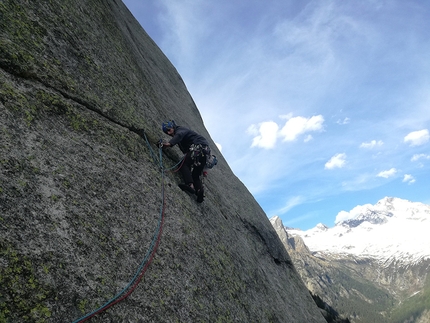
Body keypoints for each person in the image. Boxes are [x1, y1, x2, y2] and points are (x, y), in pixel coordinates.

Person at [161, 120, 210, 203]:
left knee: (183, 164)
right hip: (205, 153)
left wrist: (168, 144)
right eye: (166, 132)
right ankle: (199, 192)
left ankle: (190, 185)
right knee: (195, 175)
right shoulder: (182, 136)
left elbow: (179, 135)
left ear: (173, 127)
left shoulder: (180, 130)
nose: (169, 133)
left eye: (169, 130)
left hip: (198, 147)